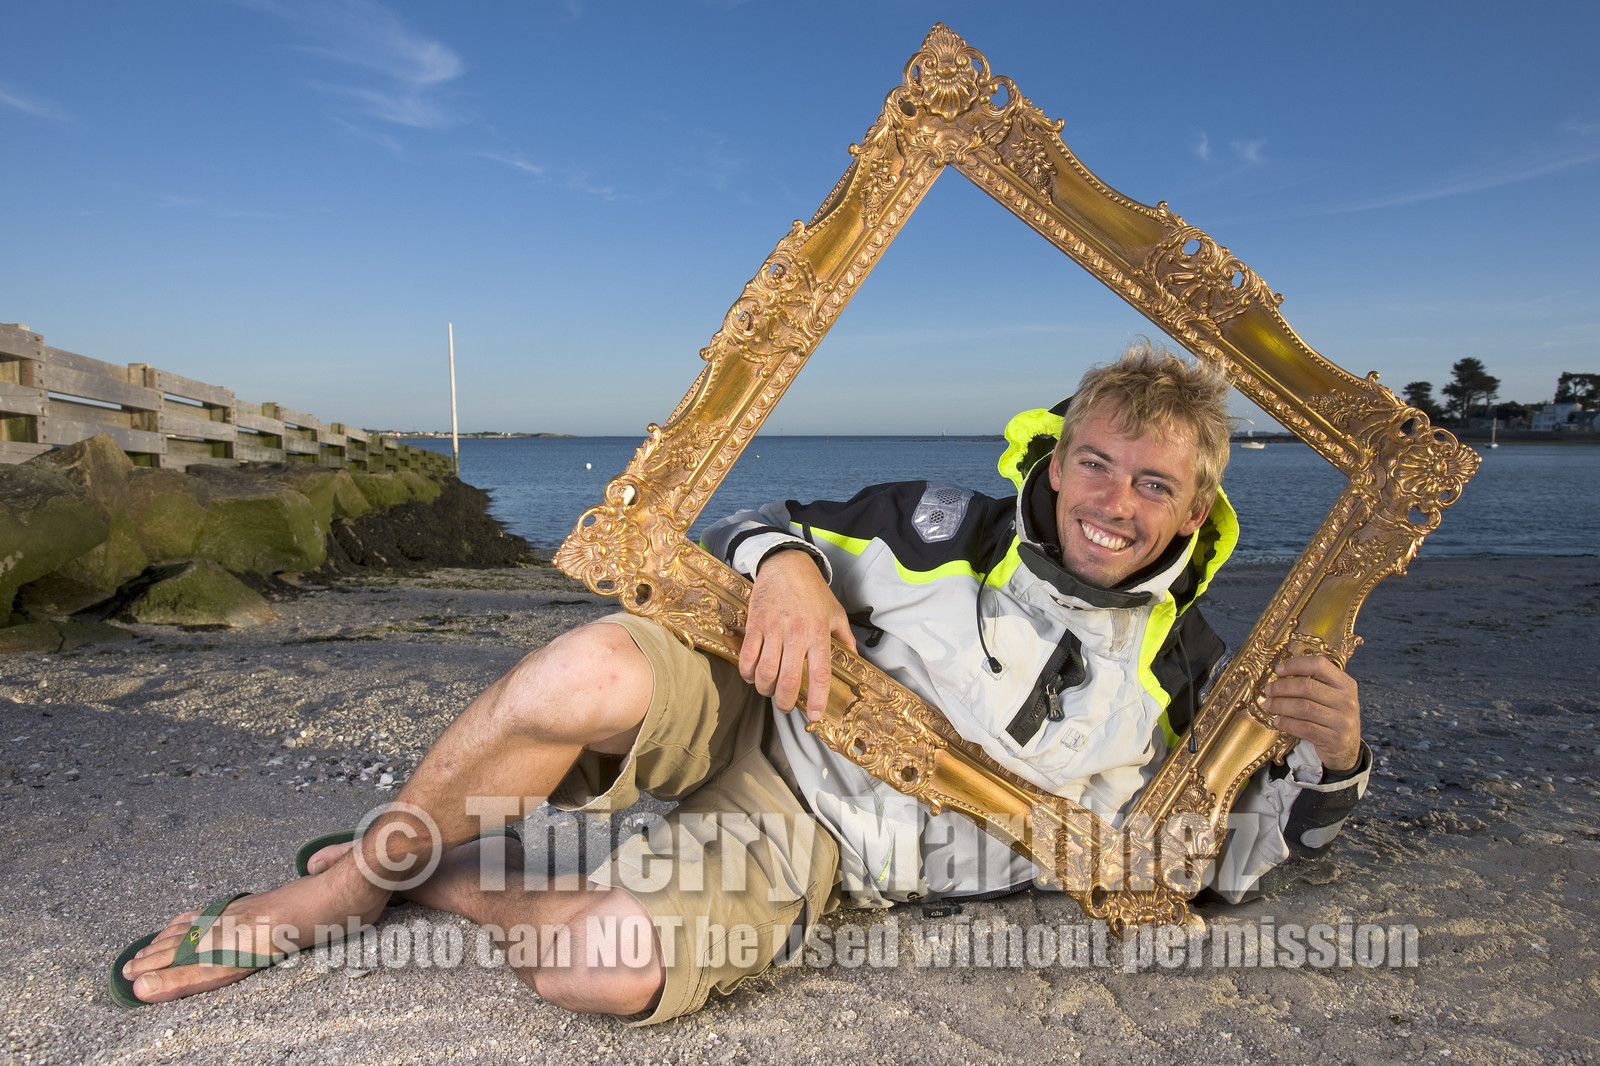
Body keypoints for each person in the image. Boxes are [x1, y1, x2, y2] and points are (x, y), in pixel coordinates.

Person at [113, 344, 1368, 1022]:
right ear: (1056, 459)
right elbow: (760, 514)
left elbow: (1228, 850)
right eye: (1097, 465)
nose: (1114, 504)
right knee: (588, 663)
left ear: (1197, 504)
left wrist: (1342, 758)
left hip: (809, 843)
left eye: (1154, 485)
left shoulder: (1198, 671)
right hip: (765, 703)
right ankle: (333, 890)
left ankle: (432, 877)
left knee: (600, 965)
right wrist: (780, 569)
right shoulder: (938, 520)